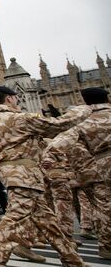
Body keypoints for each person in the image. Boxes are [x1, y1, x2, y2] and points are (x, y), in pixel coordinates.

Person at [0, 85, 90, 267]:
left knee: (48, 220)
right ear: (9, 99)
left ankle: (72, 260)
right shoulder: (22, 119)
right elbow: (58, 125)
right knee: (14, 218)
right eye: (15, 97)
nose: (17, 100)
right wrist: (83, 110)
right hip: (25, 174)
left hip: (11, 174)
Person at [45, 87, 111, 259]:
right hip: (95, 168)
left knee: (101, 207)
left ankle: (105, 245)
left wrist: (49, 157)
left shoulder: (83, 122)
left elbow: (58, 144)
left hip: (97, 168)